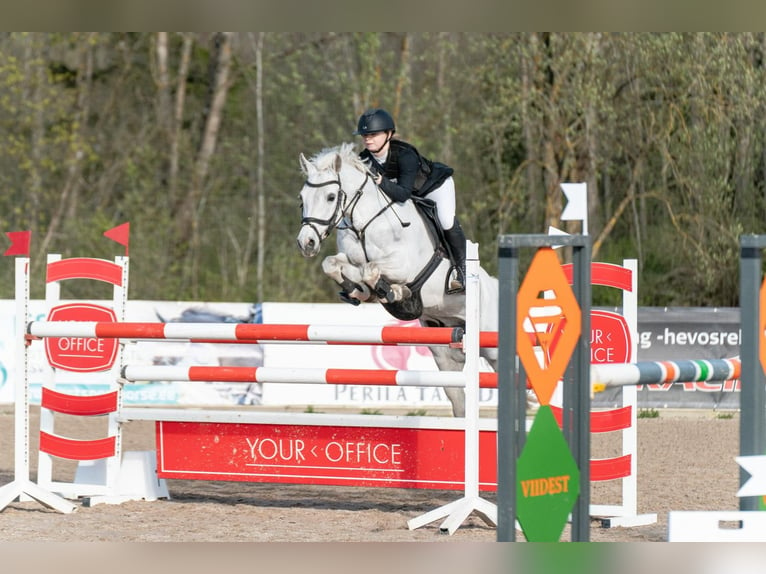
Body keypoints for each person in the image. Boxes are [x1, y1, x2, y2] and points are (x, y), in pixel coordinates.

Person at [353, 108, 466, 292]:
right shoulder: (364, 159)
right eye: (364, 135)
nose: (367, 138)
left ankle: (464, 271)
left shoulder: (406, 155)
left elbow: (403, 194)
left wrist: (380, 180)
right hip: (409, 195)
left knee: (445, 220)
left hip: (434, 187)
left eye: (373, 134)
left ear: (389, 134)